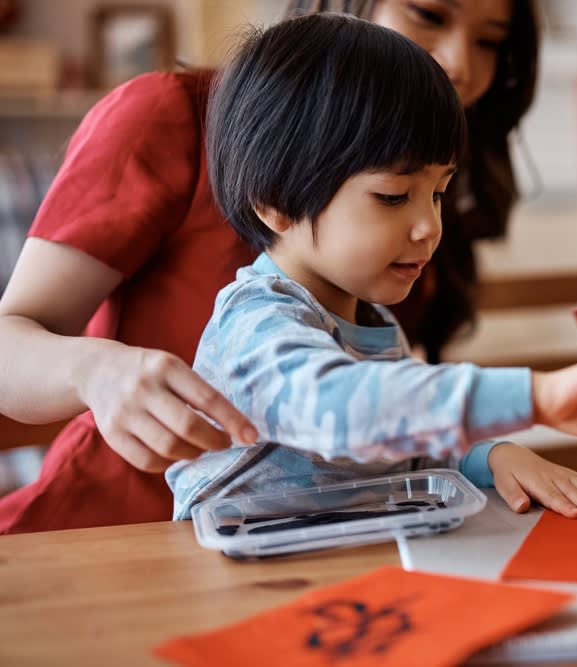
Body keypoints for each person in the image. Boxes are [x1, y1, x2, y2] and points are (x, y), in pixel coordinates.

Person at [0, 0, 539, 533]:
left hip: (297, 551)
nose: (460, 63)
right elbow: (332, 405)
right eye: (429, 14)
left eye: (489, 40)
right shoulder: (170, 119)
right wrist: (94, 370)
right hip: (102, 540)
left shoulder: (387, 256)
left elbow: (382, 434)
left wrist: (481, 455)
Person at [168, 13, 577, 520]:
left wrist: (488, 454)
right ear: (274, 200)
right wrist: (535, 395)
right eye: (393, 196)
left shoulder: (373, 325)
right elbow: (343, 411)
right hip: (231, 583)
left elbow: (400, 439)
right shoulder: (254, 323)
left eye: (438, 194)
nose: (429, 226)